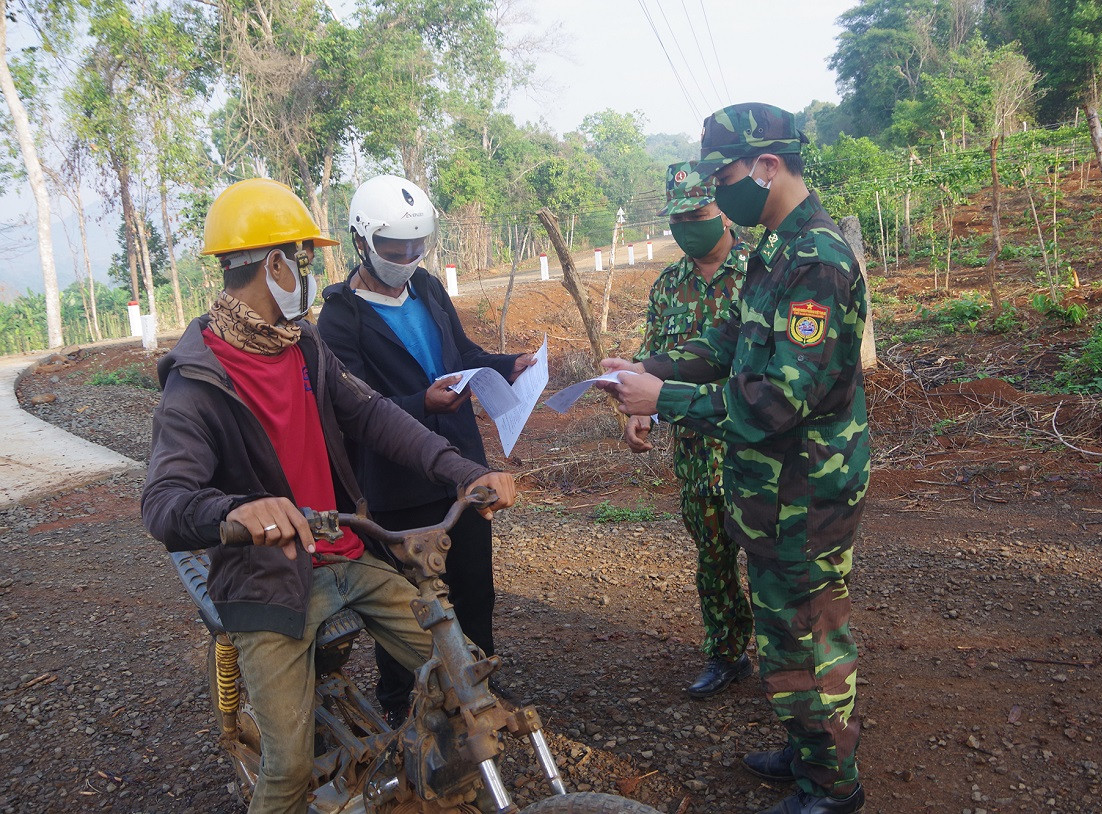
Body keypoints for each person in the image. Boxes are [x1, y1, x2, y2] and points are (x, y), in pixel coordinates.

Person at [141, 177, 516, 814]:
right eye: (304, 259)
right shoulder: (198, 379)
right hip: (268, 581)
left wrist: (460, 470)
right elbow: (164, 501)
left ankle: (432, 787)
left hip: (345, 553)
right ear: (276, 264)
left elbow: (374, 417)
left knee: (466, 680)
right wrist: (236, 511)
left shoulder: (302, 344)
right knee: (289, 767)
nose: (313, 273)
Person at [598, 103, 870, 814]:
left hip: (808, 491)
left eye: (724, 177)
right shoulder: (777, 250)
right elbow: (728, 343)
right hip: (772, 491)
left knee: (809, 636)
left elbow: (781, 398)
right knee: (783, 632)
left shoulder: (815, 260)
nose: (716, 197)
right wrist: (648, 369)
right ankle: (806, 746)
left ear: (768, 166)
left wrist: (669, 400)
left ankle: (832, 788)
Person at [316, 174, 534, 723]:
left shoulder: (428, 287)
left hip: (460, 466)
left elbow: (461, 351)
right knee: (408, 608)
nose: (408, 256)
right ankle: (404, 708)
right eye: (395, 247)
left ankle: (477, 694)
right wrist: (420, 404)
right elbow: (355, 406)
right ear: (361, 241)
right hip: (397, 486)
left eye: (418, 245)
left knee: (474, 590)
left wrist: (509, 365)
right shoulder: (340, 316)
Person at [627, 161, 754, 698]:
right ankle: (727, 652)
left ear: (723, 211)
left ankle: (790, 664)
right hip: (699, 453)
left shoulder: (762, 273)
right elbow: (652, 357)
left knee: (772, 561)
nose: (687, 228)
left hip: (756, 449)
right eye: (677, 219)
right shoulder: (667, 285)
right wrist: (639, 409)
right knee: (713, 558)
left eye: (697, 215)